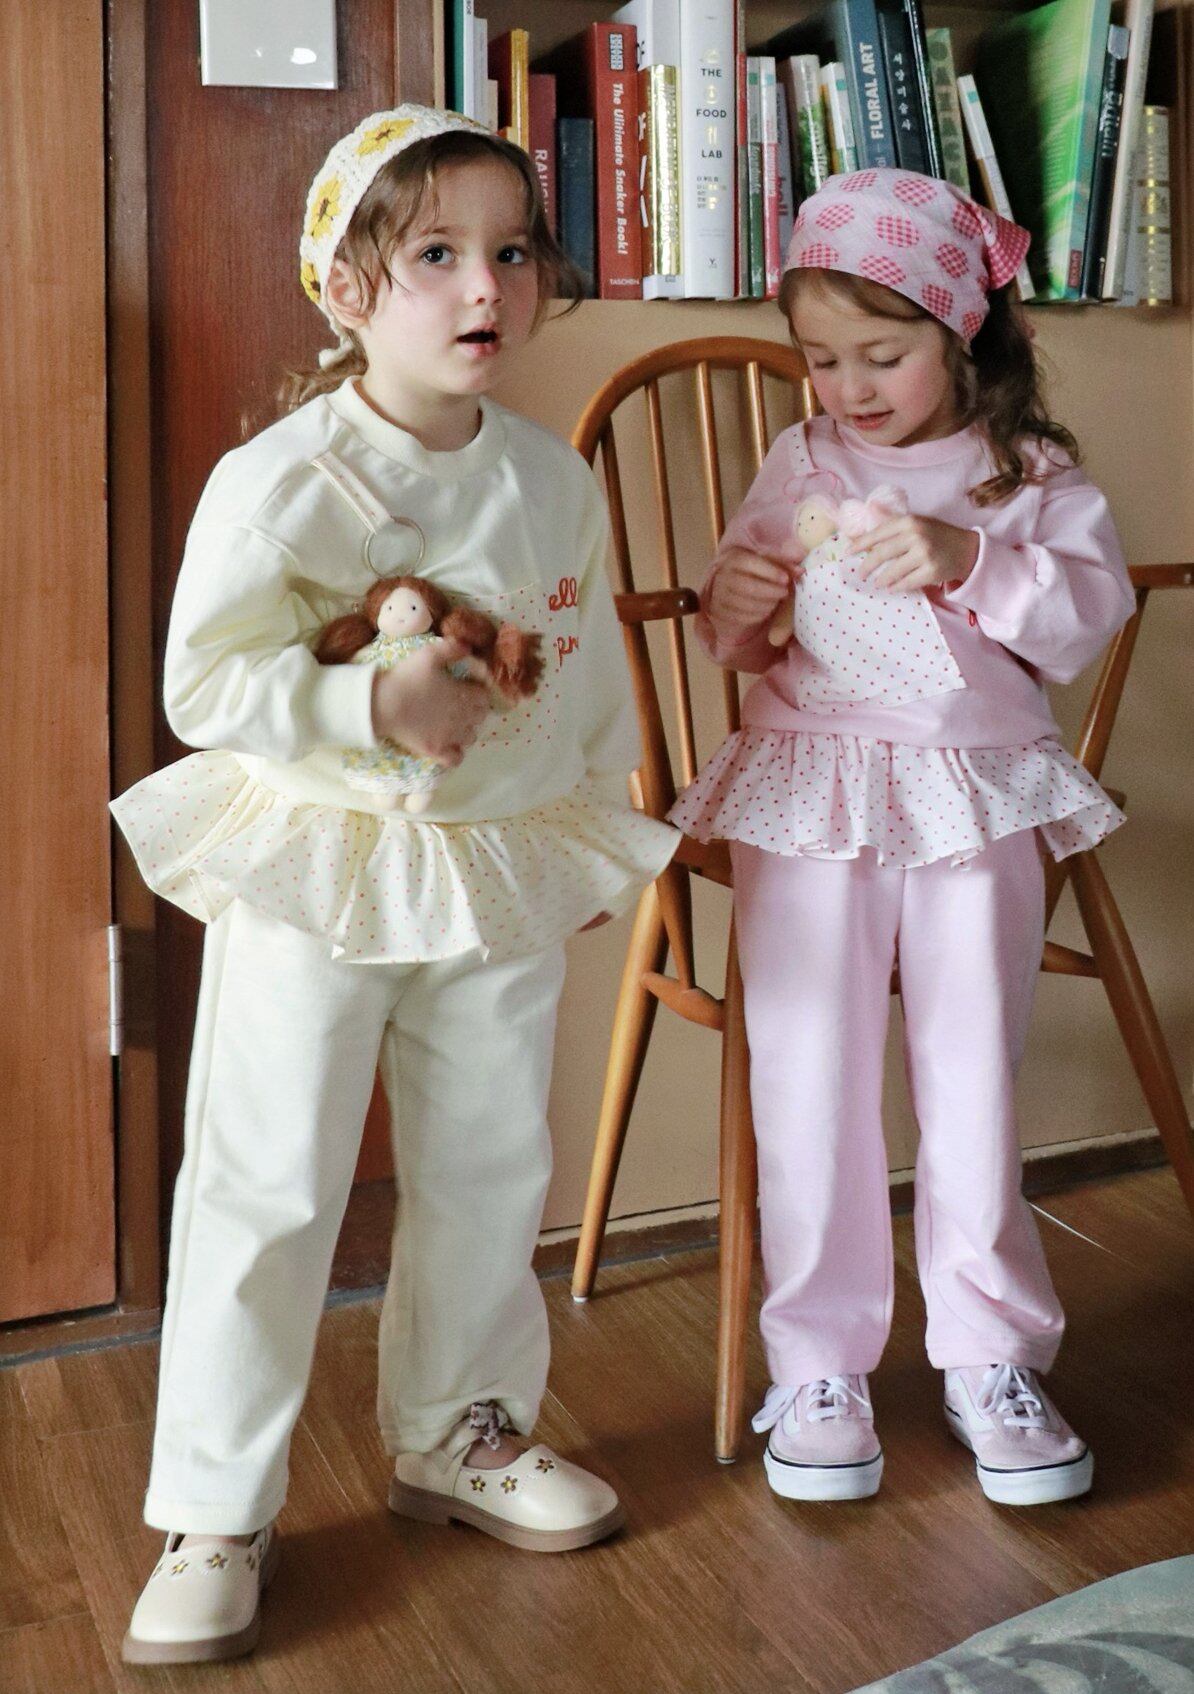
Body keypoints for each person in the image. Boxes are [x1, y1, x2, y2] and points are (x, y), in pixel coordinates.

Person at [114, 104, 676, 1665]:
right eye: (436, 254)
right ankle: (214, 1505)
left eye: (511, 252)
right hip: (323, 864)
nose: (484, 284)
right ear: (349, 288)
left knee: (492, 1153)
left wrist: (589, 822)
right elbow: (204, 683)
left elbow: (584, 666)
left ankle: (459, 1429)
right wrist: (363, 701)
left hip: (493, 862)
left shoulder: (552, 479)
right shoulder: (283, 478)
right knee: (270, 1174)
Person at [670, 168, 1134, 1509]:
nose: (848, 386)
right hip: (807, 784)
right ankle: (818, 1364)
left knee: (971, 1066)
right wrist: (737, 598)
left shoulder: (1022, 472)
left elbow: (1086, 615)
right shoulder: (801, 459)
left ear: (958, 331)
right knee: (804, 1068)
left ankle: (991, 1352)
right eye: (821, 358)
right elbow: (742, 635)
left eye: (880, 353)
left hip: (973, 787)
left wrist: (968, 557)